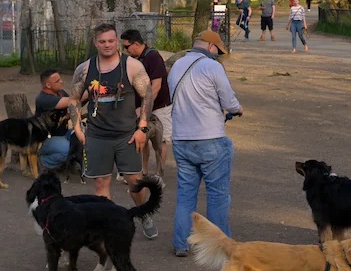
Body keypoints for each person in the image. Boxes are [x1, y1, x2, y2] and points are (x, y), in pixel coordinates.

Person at [68, 23, 158, 239]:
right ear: (95, 43)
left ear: (117, 41)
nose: (107, 45)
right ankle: (107, 226)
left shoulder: (132, 66)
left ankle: (144, 213)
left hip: (127, 135)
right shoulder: (85, 69)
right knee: (101, 183)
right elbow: (73, 100)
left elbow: (147, 95)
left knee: (135, 182)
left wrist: (142, 128)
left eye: (111, 40)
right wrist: (78, 128)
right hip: (97, 136)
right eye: (102, 41)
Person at [167, 30, 243, 257]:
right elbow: (228, 100)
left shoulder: (177, 66)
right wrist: (238, 109)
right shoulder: (212, 67)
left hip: (181, 139)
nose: (218, 55)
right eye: (218, 51)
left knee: (186, 194)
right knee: (218, 194)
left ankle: (181, 243)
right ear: (211, 46)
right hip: (210, 138)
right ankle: (221, 246)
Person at [120, 29, 172, 175]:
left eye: (127, 47)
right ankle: (143, 170)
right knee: (142, 139)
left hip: (160, 106)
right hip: (140, 105)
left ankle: (158, 173)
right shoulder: (134, 60)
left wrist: (145, 107)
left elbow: (156, 86)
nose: (125, 50)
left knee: (160, 141)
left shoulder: (153, 57)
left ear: (136, 44)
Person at [35, 69, 74, 171]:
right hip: (45, 140)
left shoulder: (60, 93)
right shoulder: (43, 99)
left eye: (60, 79)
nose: (62, 82)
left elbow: (74, 104)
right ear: (48, 85)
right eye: (58, 81)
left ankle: (70, 162)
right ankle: (43, 162)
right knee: (66, 149)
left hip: (64, 134)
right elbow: (72, 100)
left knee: (87, 138)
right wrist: (92, 90)